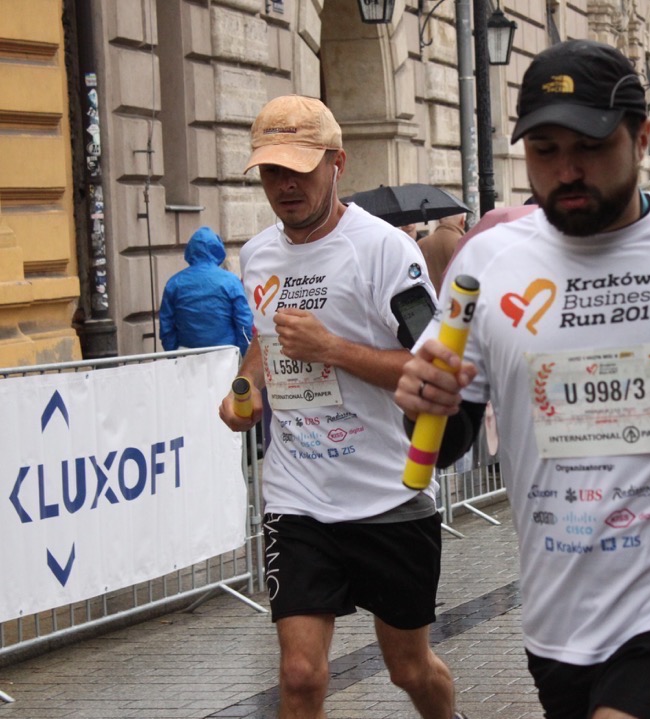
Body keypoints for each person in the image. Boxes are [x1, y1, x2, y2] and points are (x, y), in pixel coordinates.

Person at [395, 39, 650, 718]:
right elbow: (448, 437)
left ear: (640, 138)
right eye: (544, 150)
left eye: (590, 146)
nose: (566, 170)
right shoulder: (489, 261)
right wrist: (421, 403)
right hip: (561, 609)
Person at [216, 94, 463, 719]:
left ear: (337, 164)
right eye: (272, 171)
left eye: (300, 169)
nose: (285, 185)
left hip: (388, 494)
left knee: (409, 669)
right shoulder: (259, 254)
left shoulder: (385, 251)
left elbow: (434, 371)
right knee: (300, 675)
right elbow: (264, 341)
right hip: (298, 495)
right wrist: (246, 388)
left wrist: (332, 349)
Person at [159, 226, 252, 355]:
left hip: (187, 355)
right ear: (217, 250)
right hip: (225, 355)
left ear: (190, 251)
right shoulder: (231, 282)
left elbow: (166, 326)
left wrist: (174, 354)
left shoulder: (175, 283)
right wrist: (241, 352)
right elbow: (244, 322)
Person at [418, 213, 468, 294]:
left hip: (429, 299)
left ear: (440, 221)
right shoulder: (465, 244)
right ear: (462, 221)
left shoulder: (421, 244)